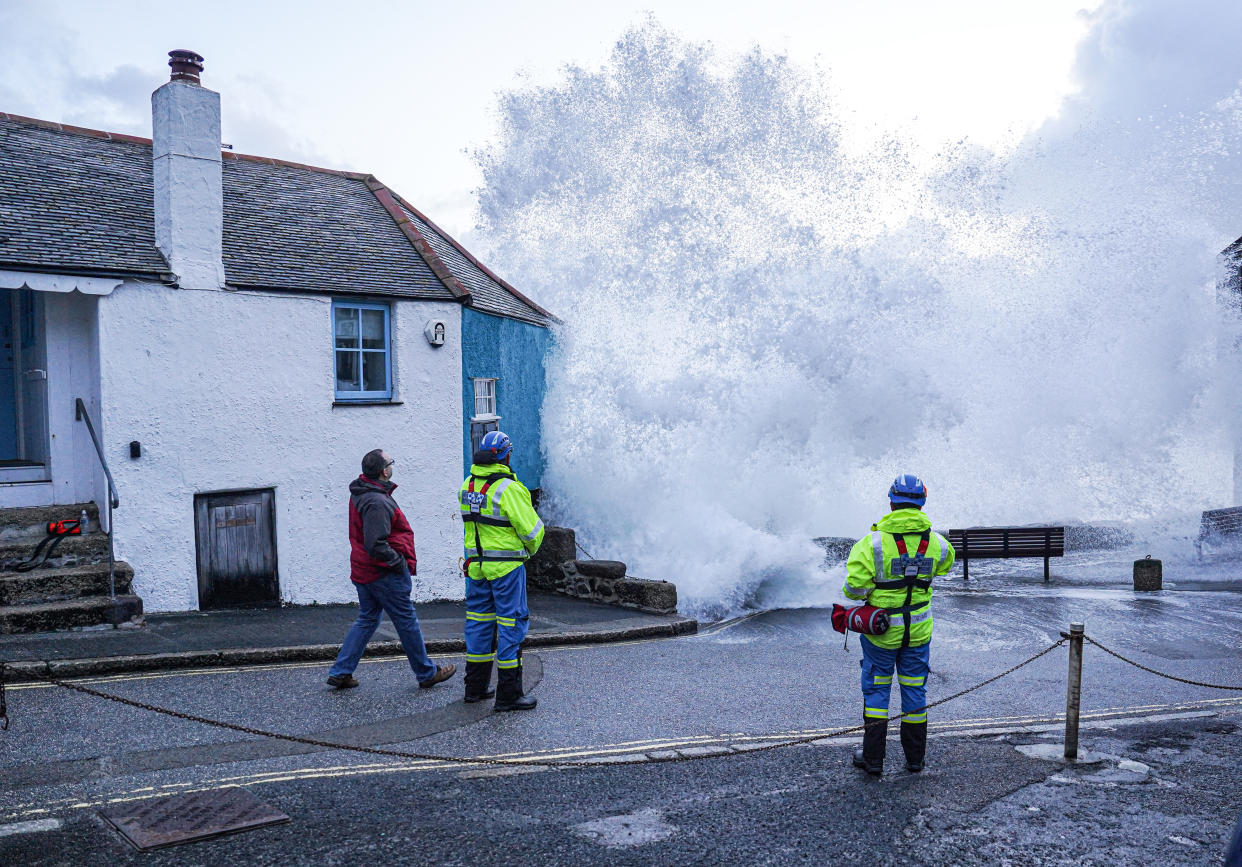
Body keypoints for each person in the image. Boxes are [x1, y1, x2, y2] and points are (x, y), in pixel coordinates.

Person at [842, 474, 955, 776]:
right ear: (923, 502)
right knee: (915, 692)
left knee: (878, 694)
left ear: (891, 501)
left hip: (881, 633)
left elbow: (853, 589)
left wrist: (874, 592)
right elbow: (945, 566)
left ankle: (873, 760)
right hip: (918, 632)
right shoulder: (939, 544)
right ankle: (915, 760)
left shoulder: (872, 544)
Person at [327, 449, 456, 690]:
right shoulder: (376, 501)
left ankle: (341, 671)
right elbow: (376, 543)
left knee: (367, 619)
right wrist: (399, 563)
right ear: (384, 471)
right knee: (406, 621)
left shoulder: (363, 492)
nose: (392, 465)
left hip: (364, 569)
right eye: (390, 462)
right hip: (382, 572)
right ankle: (426, 673)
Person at [458, 431, 545, 711]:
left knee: (479, 625)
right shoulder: (509, 489)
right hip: (506, 570)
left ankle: (475, 688)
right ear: (506, 454)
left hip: (477, 569)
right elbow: (532, 530)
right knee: (511, 625)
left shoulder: (467, 485)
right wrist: (528, 551)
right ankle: (508, 695)